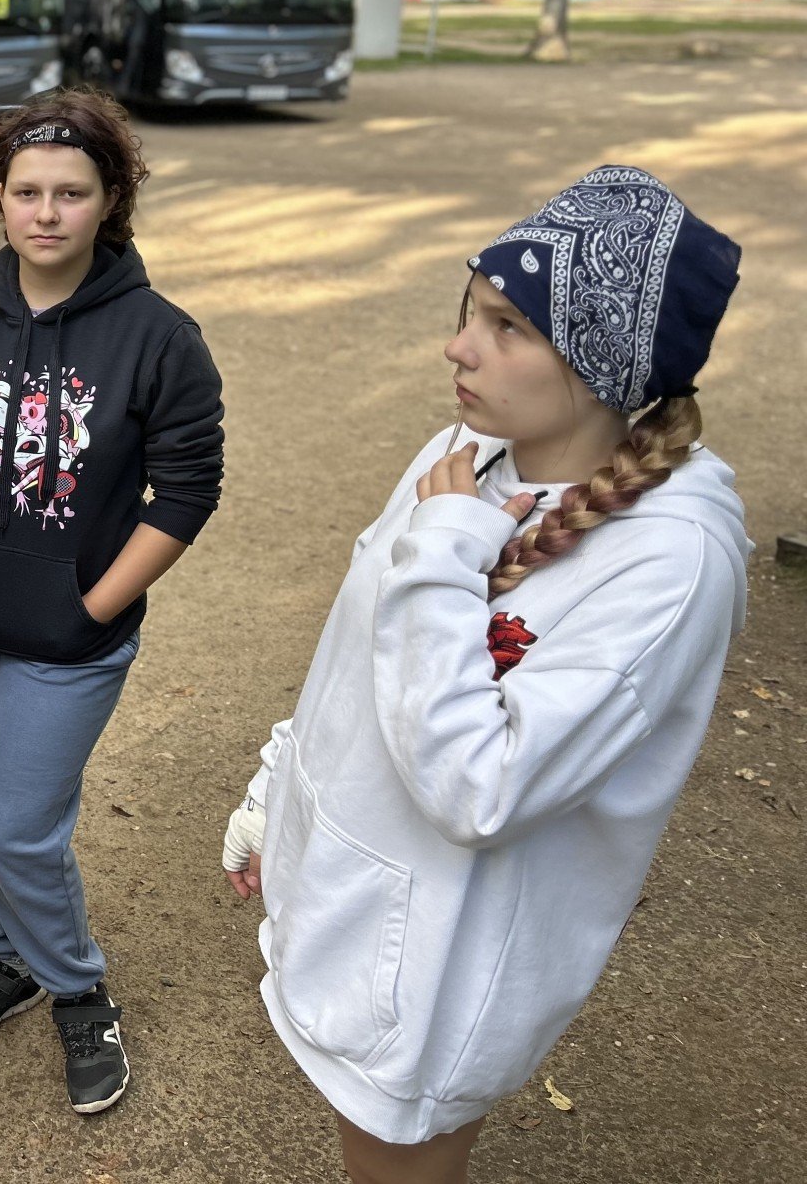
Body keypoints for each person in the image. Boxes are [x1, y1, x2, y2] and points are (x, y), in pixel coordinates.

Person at [221, 165, 748, 1184]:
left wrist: (443, 551)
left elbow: (481, 787)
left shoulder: (668, 561)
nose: (459, 347)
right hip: (357, 903)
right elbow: (354, 655)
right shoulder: (468, 450)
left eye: (508, 328)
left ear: (603, 362)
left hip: (437, 970)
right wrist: (277, 788)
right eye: (470, 312)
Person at [0, 89, 225, 1113]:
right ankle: (6, 958)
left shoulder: (159, 337)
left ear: (110, 199)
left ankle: (75, 985)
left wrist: (93, 606)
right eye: (25, 190)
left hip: (68, 639)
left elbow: (187, 491)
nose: (45, 212)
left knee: (19, 827)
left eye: (71, 193)